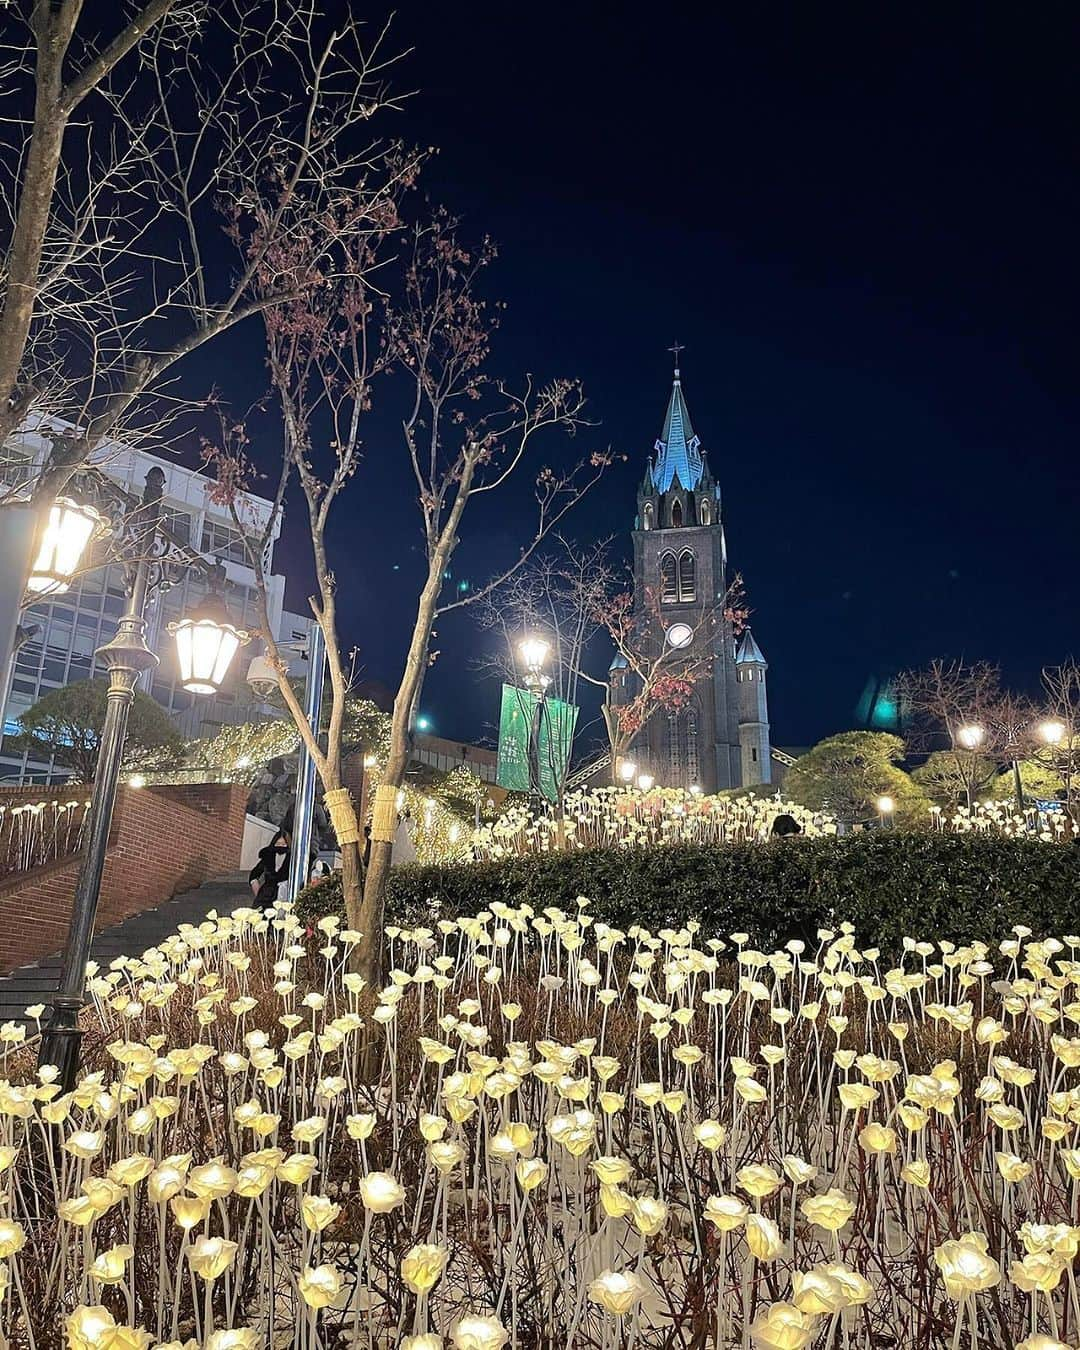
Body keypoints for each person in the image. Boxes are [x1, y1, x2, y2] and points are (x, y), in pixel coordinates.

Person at [249, 828, 291, 902]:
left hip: (284, 896)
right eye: (277, 843)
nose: (280, 846)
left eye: (283, 844)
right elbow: (254, 874)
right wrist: (258, 892)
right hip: (266, 896)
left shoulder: (292, 858)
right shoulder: (268, 857)